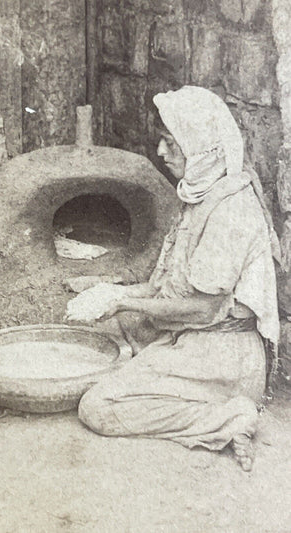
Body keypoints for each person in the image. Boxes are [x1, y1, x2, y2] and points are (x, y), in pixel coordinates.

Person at [65, 86, 281, 471]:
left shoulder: (232, 209)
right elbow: (165, 288)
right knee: (114, 333)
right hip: (198, 337)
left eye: (170, 143)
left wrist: (121, 301)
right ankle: (163, 382)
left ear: (202, 146)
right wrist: (108, 292)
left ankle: (227, 419)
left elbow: (204, 308)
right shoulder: (202, 195)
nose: (161, 153)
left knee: (97, 407)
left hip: (224, 355)